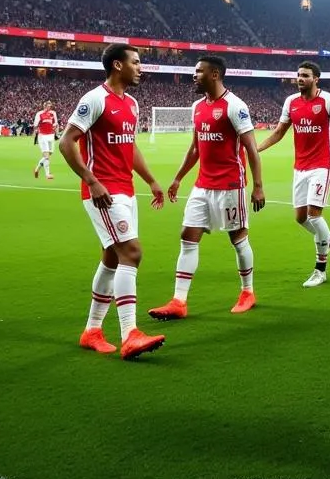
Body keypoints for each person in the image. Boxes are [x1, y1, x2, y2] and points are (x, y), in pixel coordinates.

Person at [57, 43, 167, 359]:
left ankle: (92, 330)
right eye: (136, 62)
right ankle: (129, 333)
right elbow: (66, 143)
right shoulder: (94, 99)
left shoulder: (131, 103)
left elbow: (129, 147)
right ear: (118, 65)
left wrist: (151, 180)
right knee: (131, 252)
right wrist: (91, 181)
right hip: (104, 193)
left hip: (126, 190)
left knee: (112, 257)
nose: (141, 67)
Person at [149, 55, 266, 321]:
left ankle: (248, 292)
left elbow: (251, 149)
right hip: (202, 185)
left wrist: (258, 187)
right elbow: (195, 147)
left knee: (238, 239)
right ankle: (179, 301)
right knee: (187, 237)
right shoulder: (197, 107)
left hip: (230, 185)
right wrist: (179, 178)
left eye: (199, 71)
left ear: (214, 74)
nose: (194, 75)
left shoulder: (235, 106)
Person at [257, 61, 330, 287]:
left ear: (316, 79)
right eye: (298, 75)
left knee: (314, 215)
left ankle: (320, 270)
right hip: (300, 167)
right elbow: (279, 132)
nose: (300, 78)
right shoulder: (291, 102)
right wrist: (255, 149)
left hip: (321, 164)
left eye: (305, 75)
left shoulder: (328, 100)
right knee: (300, 218)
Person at [32, 100, 59, 180]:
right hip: (43, 136)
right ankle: (48, 175)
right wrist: (35, 131)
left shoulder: (53, 113)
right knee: (46, 156)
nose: (49, 106)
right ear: (44, 105)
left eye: (50, 105)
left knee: (50, 153)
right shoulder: (39, 114)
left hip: (51, 135)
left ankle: (37, 169)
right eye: (47, 105)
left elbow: (56, 123)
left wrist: (56, 131)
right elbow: (35, 124)